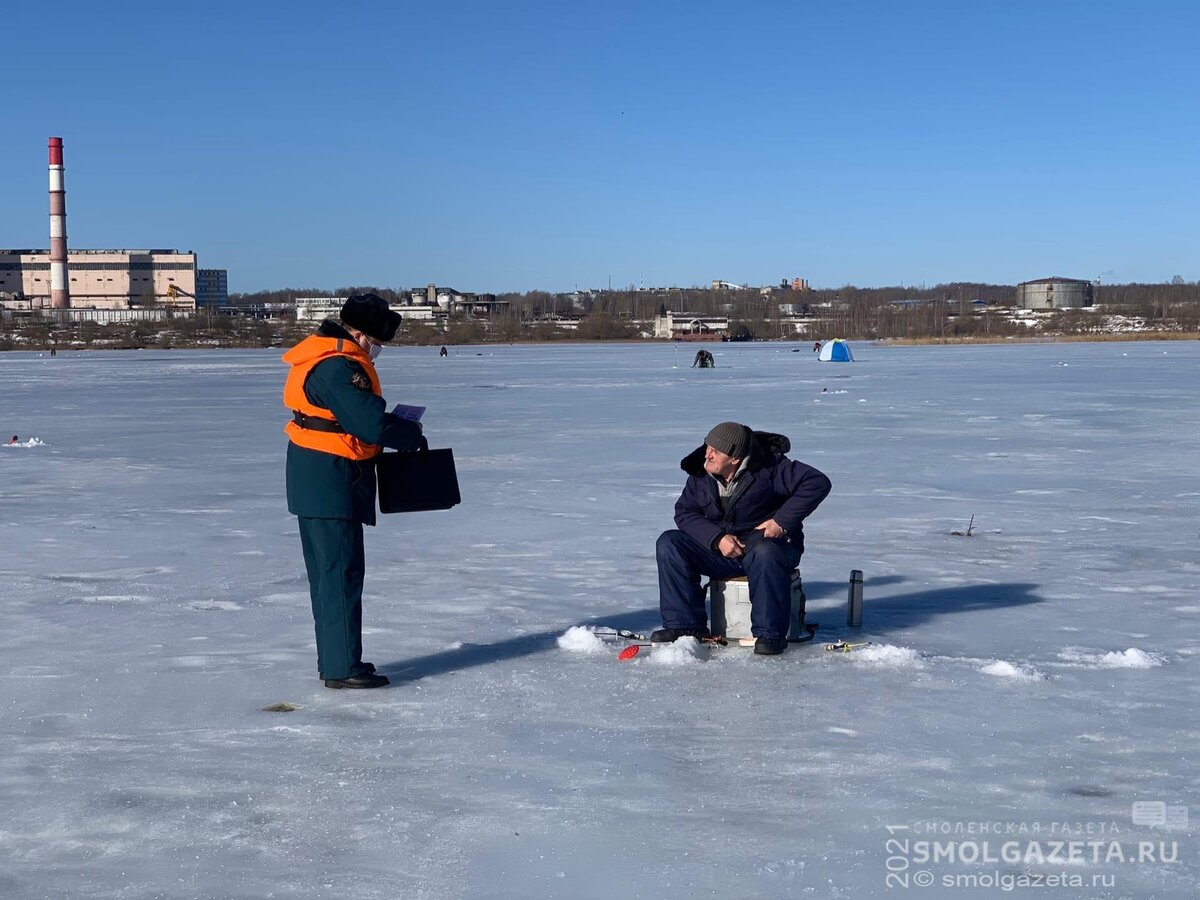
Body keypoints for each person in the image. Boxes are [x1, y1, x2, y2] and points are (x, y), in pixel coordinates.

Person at [282, 294, 425, 689]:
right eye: (377, 343)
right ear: (360, 335)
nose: (378, 351)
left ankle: (338, 658)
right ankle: (343, 666)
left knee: (331, 576)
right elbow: (368, 423)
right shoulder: (338, 368)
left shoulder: (325, 358)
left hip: (318, 477)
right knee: (340, 574)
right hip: (331, 479)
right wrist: (407, 433)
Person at [653, 422, 832, 655]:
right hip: (722, 551)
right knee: (670, 543)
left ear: (735, 459)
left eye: (715, 451)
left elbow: (817, 482)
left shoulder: (771, 469)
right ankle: (684, 626)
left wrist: (781, 522)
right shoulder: (701, 473)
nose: (707, 454)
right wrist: (716, 538)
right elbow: (685, 512)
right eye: (707, 446)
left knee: (765, 552)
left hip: (769, 548)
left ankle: (770, 634)